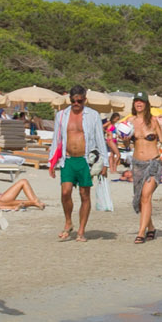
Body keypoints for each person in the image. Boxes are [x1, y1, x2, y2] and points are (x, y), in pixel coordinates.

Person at [50, 88, 107, 242]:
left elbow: (100, 139)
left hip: (85, 160)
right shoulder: (61, 115)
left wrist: (105, 163)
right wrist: (51, 162)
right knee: (65, 192)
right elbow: (56, 138)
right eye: (73, 101)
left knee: (84, 194)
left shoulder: (93, 115)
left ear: (84, 100)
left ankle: (81, 230)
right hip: (67, 159)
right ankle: (68, 222)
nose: (76, 104)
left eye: (79, 101)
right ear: (69, 99)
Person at [126, 96, 162, 243]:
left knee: (146, 195)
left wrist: (161, 125)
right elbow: (126, 144)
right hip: (137, 164)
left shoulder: (154, 121)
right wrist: (125, 137)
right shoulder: (130, 122)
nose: (139, 104)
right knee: (141, 199)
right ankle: (151, 227)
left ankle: (141, 233)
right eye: (136, 101)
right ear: (134, 104)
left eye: (142, 101)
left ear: (147, 104)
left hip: (153, 163)